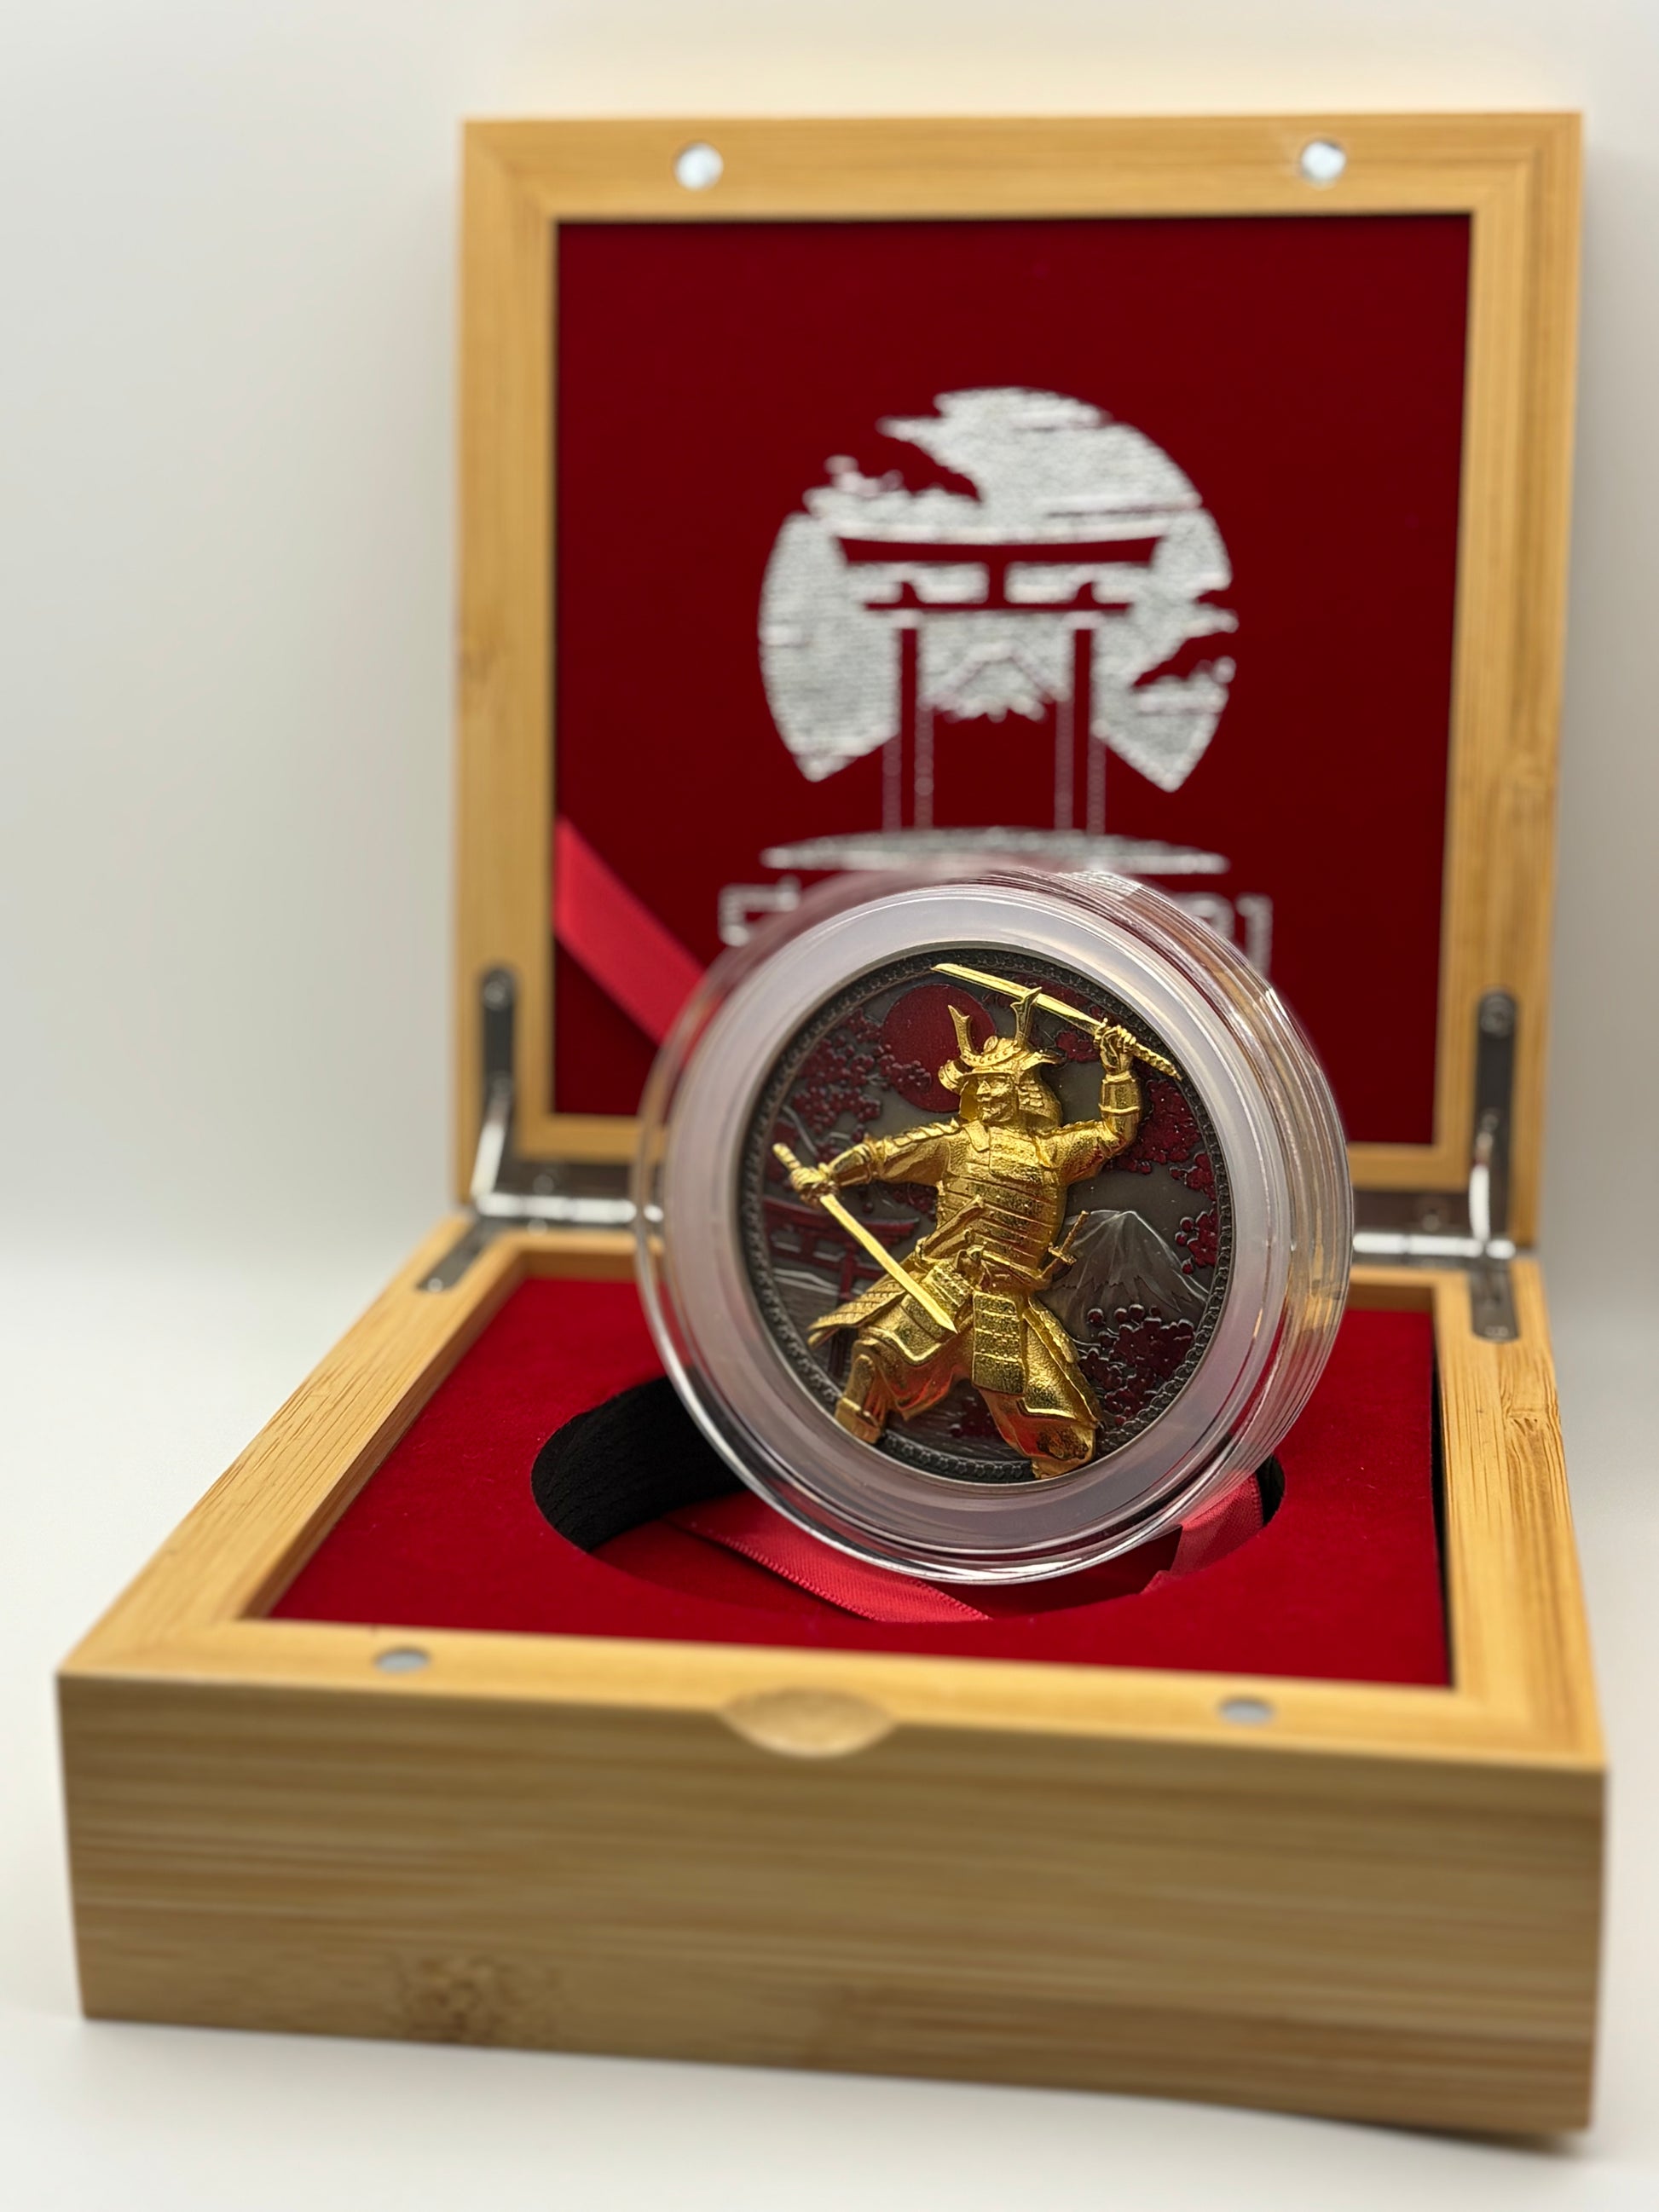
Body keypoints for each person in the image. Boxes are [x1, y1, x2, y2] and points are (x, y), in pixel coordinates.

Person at [786, 990, 1142, 1478]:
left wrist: (1118, 1071)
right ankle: (844, 1466)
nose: (989, 1095)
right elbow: (882, 1157)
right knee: (875, 1355)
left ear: (1023, 1091)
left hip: (1004, 1300)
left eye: (999, 1085)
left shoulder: (1052, 1154)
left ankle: (1061, 1498)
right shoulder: (956, 1145)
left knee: (1061, 1431)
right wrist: (828, 1175)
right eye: (982, 1086)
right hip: (945, 1284)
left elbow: (1114, 1134)